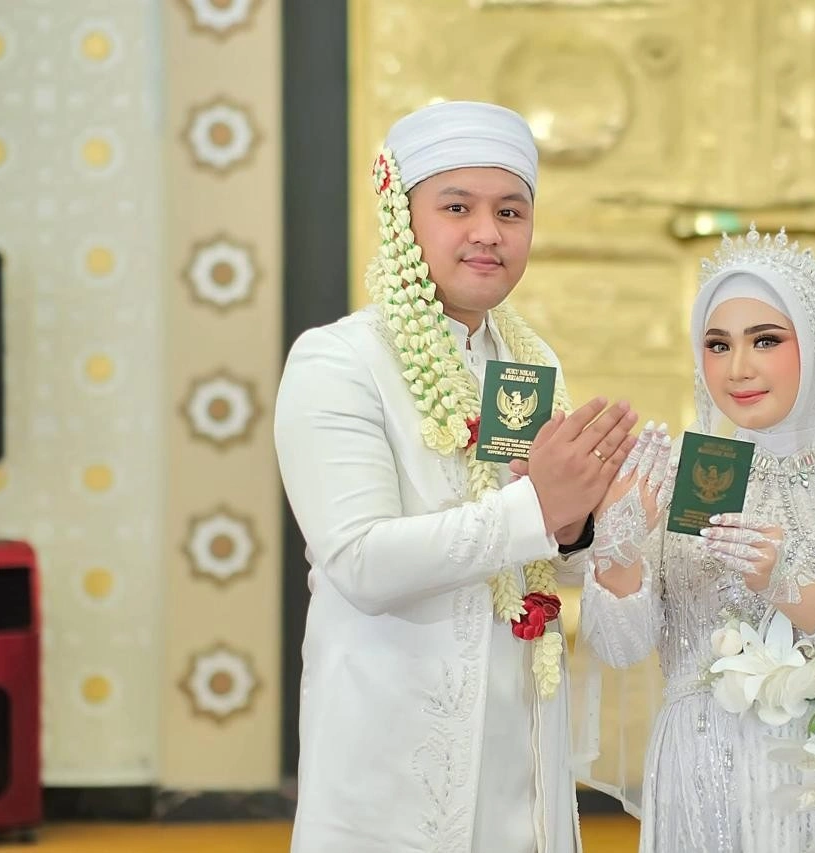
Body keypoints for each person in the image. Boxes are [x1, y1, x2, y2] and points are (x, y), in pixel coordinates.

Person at [274, 101, 639, 853]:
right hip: (395, 741)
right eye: (456, 207)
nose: (487, 232)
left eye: (510, 210)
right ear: (403, 221)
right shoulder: (338, 360)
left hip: (520, 741)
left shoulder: (528, 362)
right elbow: (360, 562)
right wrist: (541, 506)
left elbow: (546, 558)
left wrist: (579, 523)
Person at [574, 226, 815, 851]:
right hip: (700, 781)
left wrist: (789, 586)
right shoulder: (678, 480)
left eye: (765, 340)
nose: (738, 368)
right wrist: (618, 550)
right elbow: (621, 651)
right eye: (717, 345)